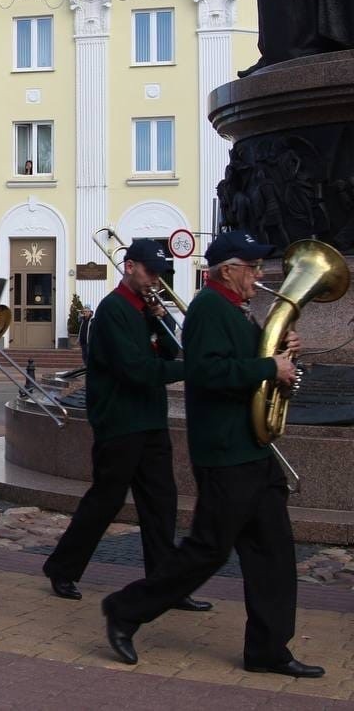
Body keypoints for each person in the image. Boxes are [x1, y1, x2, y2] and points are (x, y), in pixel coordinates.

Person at [102, 231, 322, 677]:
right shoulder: (208, 308)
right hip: (224, 451)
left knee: (274, 551)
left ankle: (268, 650)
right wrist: (269, 366)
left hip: (252, 448)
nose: (259, 275)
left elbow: (252, 364)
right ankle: (125, 610)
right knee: (207, 550)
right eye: (252, 267)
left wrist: (283, 354)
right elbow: (206, 372)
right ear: (228, 270)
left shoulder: (237, 310)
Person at [42, 240, 210, 613]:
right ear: (129, 266)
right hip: (120, 421)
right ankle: (62, 567)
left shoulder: (144, 309)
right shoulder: (112, 310)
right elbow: (136, 370)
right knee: (106, 500)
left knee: (161, 503)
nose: (156, 281)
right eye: (151, 272)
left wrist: (161, 319)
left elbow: (168, 351)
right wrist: (193, 369)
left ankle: (165, 585)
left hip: (150, 419)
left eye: (161, 275)